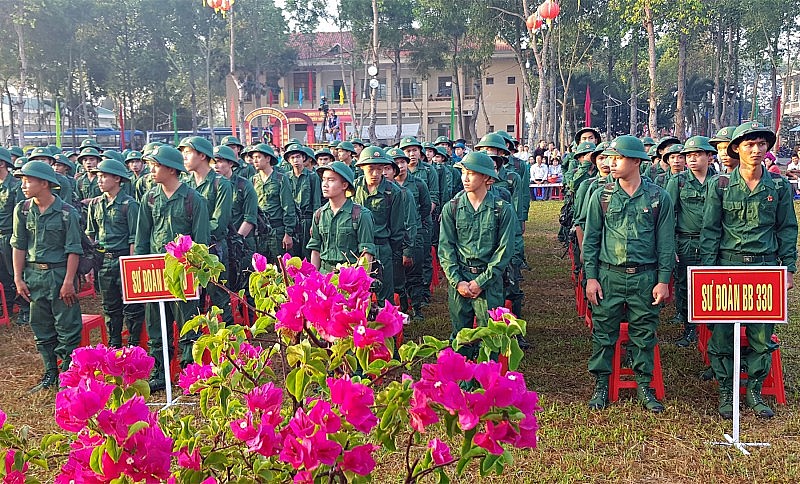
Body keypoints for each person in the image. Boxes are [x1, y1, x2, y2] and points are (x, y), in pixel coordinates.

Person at [700, 122, 797, 419]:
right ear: (736, 149)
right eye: (749, 145)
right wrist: (706, 274)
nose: (756, 150)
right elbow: (711, 231)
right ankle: (727, 392)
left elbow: (787, 228)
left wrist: (789, 269)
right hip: (727, 268)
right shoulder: (722, 185)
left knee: (761, 336)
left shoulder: (779, 186)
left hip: (765, 269)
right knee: (722, 336)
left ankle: (754, 391)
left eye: (761, 144)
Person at [583, 136, 675, 413]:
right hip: (609, 275)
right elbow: (591, 239)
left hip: (644, 277)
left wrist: (662, 280)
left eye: (618, 158)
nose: (611, 163)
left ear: (636, 161)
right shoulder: (602, 196)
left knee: (644, 333)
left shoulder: (659, 197)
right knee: (603, 332)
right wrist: (591, 277)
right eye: (610, 158)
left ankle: (644, 385)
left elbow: (666, 241)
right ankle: (601, 385)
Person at [134, 145, 210, 392]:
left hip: (184, 271)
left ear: (171, 169)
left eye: (156, 166)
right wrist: (140, 270)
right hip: (155, 271)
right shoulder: (149, 198)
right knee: (156, 323)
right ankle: (160, 371)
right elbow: (142, 237)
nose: (152, 170)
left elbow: (201, 242)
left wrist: (197, 273)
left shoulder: (193, 199)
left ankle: (189, 372)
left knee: (188, 322)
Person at [11, 161, 84, 393]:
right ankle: (50, 372)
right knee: (41, 326)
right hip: (34, 275)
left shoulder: (66, 213)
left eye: (28, 180)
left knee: (68, 327)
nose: (24, 185)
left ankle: (68, 375)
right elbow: (19, 245)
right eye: (22, 180)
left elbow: (74, 249)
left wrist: (69, 281)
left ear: (45, 184)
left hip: (60, 273)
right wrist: (18, 277)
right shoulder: (22, 209)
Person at [438, 151, 515, 360]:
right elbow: (446, 248)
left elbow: (504, 250)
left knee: (490, 338)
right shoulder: (452, 208)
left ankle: (486, 386)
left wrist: (481, 282)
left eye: (471, 173)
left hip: (489, 282)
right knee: (460, 337)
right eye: (463, 172)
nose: (465, 178)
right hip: (460, 280)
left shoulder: (502, 209)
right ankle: (463, 386)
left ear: (487, 178)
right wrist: (457, 281)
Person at [85, 159, 143, 348]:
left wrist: (132, 265)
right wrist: (89, 265)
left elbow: (135, 237)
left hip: (124, 258)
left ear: (117, 178)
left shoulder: (130, 204)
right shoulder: (95, 204)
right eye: (98, 176)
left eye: (103, 176)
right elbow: (91, 236)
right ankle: (115, 342)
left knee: (132, 306)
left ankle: (134, 343)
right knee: (110, 306)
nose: (99, 180)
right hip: (103, 260)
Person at [664, 136, 716, 346]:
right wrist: (670, 246)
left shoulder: (719, 181)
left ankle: (711, 328)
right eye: (689, 156)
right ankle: (689, 329)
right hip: (686, 241)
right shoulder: (678, 181)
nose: (692, 160)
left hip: (713, 242)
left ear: (709, 157)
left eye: (697, 155)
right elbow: (667, 216)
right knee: (686, 286)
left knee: (712, 285)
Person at [179, 136, 233, 323]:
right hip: (187, 251)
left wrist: (197, 232)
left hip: (213, 249)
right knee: (191, 300)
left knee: (218, 297)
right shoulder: (184, 185)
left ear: (202, 155)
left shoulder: (221, 184)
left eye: (188, 153)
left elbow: (219, 222)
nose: (184, 157)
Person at [353, 147, 409, 304]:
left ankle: (385, 326)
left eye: (380, 169)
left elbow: (398, 228)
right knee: (357, 294)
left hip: (382, 247)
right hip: (358, 248)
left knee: (384, 294)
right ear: (362, 168)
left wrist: (391, 251)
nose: (376, 174)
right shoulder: (353, 188)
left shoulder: (393, 192)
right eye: (371, 169)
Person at [308, 161, 375, 273]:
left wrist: (360, 283)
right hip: (324, 275)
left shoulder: (361, 215)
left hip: (349, 276)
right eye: (324, 179)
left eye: (331, 180)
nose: (325, 184)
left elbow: (367, 254)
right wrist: (313, 279)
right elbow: (316, 250)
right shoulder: (319, 214)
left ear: (344, 185)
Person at [386, 147, 429, 320]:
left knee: (414, 273)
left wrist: (410, 244)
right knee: (397, 277)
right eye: (395, 163)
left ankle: (417, 308)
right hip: (393, 239)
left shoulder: (414, 186)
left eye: (402, 162)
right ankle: (402, 309)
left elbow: (425, 208)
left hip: (412, 234)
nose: (400, 166)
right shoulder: (385, 190)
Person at [212, 145, 259, 291]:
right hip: (219, 243)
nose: (216, 165)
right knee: (223, 287)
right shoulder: (212, 186)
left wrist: (237, 240)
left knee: (246, 286)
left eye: (220, 161)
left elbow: (250, 217)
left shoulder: (244, 185)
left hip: (243, 242)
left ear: (231, 163)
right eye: (213, 162)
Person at [250, 143, 297, 262]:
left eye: (258, 157)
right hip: (260, 231)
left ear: (268, 158)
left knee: (282, 268)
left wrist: (288, 233)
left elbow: (288, 206)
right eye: (254, 157)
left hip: (278, 230)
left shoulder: (281, 178)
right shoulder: (254, 180)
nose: (255, 160)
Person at [284, 144, 322, 261]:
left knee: (308, 254)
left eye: (298, 157)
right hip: (292, 220)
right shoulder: (286, 177)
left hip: (307, 219)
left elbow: (316, 201)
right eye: (292, 158)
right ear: (289, 161)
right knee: (292, 257)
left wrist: (315, 224)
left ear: (303, 158)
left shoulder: (312, 176)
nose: (296, 160)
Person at [0, 148, 21, 324]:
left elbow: (20, 215)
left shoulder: (15, 186)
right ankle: (6, 308)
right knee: (2, 276)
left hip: (10, 236)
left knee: (16, 273)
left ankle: (25, 309)